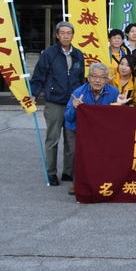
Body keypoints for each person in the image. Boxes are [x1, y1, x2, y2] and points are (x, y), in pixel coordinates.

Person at [30, 21, 85, 187]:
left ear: (73, 35)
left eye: (69, 33)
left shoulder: (78, 54)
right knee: (52, 139)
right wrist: (33, 93)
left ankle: (68, 171)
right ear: (57, 35)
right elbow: (39, 76)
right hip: (54, 102)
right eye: (63, 33)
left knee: (71, 140)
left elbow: (81, 78)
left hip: (73, 103)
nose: (66, 36)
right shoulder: (49, 53)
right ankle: (51, 173)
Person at [63, 62, 127, 194]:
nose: (98, 80)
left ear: (106, 79)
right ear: (88, 77)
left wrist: (119, 106)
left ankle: (100, 180)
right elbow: (68, 118)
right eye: (94, 76)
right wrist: (75, 107)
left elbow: (117, 118)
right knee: (75, 153)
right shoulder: (78, 92)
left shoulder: (113, 92)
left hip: (100, 131)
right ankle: (76, 182)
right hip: (77, 129)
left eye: (102, 77)